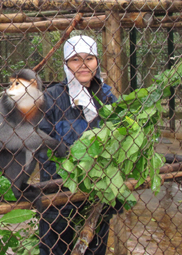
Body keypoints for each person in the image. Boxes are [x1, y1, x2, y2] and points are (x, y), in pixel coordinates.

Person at [38, 35, 119, 255]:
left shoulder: (107, 97)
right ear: (66, 64)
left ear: (97, 62)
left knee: (95, 246)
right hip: (60, 197)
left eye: (89, 58)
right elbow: (43, 145)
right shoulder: (51, 98)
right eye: (75, 59)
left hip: (97, 195)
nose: (83, 65)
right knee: (54, 248)